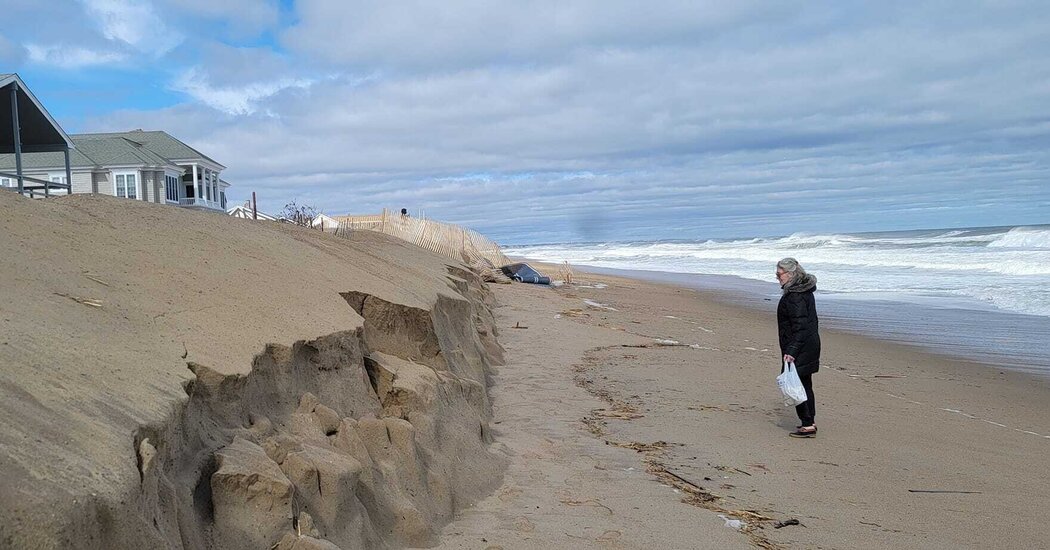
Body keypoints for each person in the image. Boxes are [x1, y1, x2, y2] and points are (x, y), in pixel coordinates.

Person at [776, 257, 821, 438]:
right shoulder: (802, 290)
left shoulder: (795, 295)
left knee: (795, 385)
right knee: (804, 383)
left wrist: (791, 351)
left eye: (779, 274)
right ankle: (810, 421)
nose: (777, 278)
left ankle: (807, 424)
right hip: (808, 344)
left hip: (799, 346)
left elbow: (800, 326)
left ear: (790, 274)